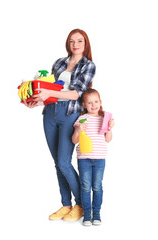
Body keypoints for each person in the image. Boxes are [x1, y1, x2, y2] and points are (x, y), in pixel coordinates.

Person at [25, 29, 96, 221]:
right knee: (58, 163)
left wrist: (50, 95)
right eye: (72, 41)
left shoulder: (88, 65)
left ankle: (82, 204)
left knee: (64, 162)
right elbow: (50, 90)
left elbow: (75, 94)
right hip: (50, 113)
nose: (76, 45)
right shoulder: (59, 63)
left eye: (80, 41)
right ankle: (66, 204)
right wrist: (36, 100)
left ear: (85, 43)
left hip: (70, 114)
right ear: (68, 43)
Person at [72, 88, 114, 226]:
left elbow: (108, 139)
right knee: (85, 187)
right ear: (84, 105)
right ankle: (86, 214)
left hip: (100, 158)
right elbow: (74, 140)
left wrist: (109, 128)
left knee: (97, 186)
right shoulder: (81, 118)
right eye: (89, 103)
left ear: (100, 102)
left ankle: (96, 214)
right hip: (84, 158)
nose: (93, 105)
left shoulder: (104, 119)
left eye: (96, 101)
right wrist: (78, 129)